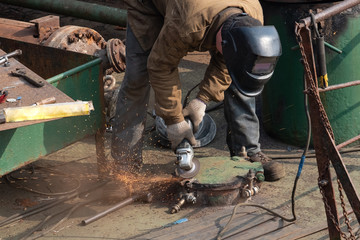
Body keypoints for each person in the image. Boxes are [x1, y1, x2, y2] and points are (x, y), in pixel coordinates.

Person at [111, 0, 284, 180]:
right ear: (222, 40)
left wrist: (202, 100)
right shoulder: (188, 25)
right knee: (137, 78)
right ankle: (124, 167)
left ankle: (247, 152)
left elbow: (227, 65)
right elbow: (161, 66)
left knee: (241, 73)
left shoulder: (254, 19)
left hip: (201, 13)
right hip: (149, 5)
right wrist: (174, 120)